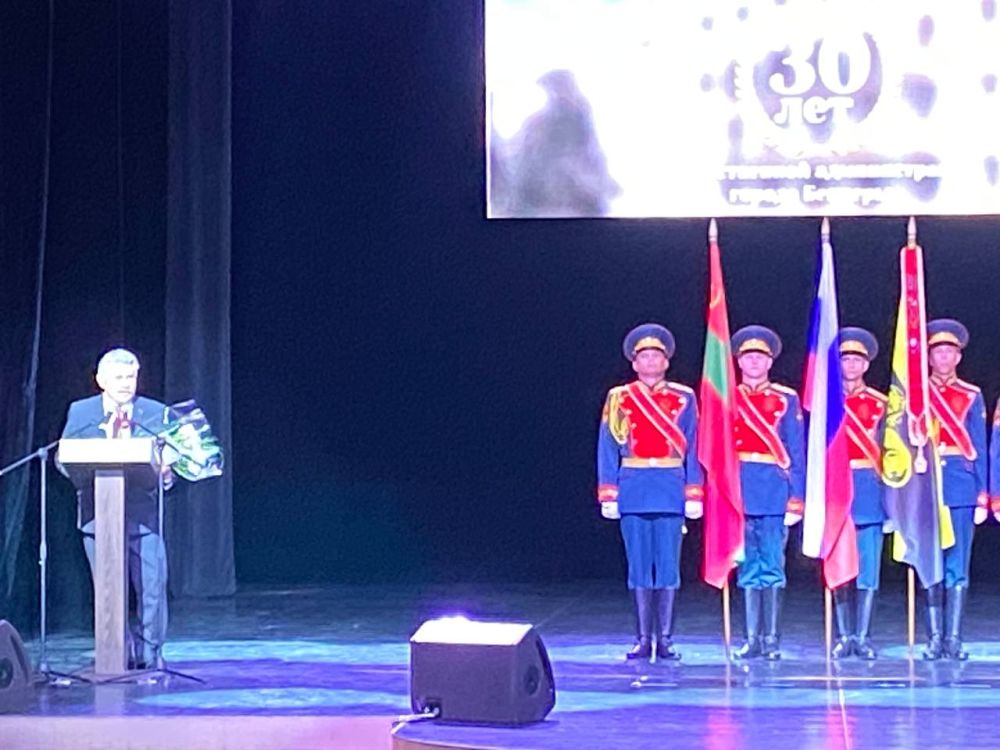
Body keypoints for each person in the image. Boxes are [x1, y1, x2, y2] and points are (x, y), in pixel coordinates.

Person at [58, 348, 172, 669]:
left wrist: (167, 472)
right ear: (101, 380)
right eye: (119, 377)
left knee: (152, 586)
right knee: (108, 589)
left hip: (143, 516)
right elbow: (63, 458)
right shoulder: (81, 412)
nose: (125, 384)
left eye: (131, 377)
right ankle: (117, 653)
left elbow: (170, 462)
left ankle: (151, 655)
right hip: (98, 514)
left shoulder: (154, 412)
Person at [597, 324, 703, 661]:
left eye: (657, 355)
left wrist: (694, 491)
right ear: (634, 363)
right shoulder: (619, 397)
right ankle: (643, 639)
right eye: (644, 356)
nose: (651, 361)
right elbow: (607, 446)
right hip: (633, 486)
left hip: (671, 486)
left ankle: (666, 639)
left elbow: (695, 446)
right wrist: (609, 492)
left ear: (667, 361)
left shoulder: (685, 397)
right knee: (639, 567)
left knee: (668, 567)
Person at [730, 325, 805, 661]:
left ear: (770, 361)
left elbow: (796, 450)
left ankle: (772, 639)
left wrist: (796, 497)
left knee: (773, 566)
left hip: (775, 490)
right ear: (739, 361)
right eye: (748, 356)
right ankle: (751, 639)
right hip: (740, 490)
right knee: (747, 566)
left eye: (760, 357)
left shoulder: (786, 399)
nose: (754, 362)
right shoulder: (728, 398)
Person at [924, 319, 988, 661]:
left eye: (950, 352)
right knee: (930, 562)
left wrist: (983, 494)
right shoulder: (916, 395)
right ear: (929, 357)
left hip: (961, 486)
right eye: (938, 352)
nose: (944, 357)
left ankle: (954, 639)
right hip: (925, 488)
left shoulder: (971, 395)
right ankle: (934, 638)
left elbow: (979, 446)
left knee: (958, 563)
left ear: (958, 357)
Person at [831, 327, 887, 660]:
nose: (851, 366)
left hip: (869, 491)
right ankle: (843, 636)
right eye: (845, 360)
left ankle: (863, 637)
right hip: (836, 492)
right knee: (839, 567)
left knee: (868, 570)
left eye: (856, 360)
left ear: (866, 365)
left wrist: (892, 504)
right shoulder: (826, 404)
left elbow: (891, 455)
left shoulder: (881, 404)